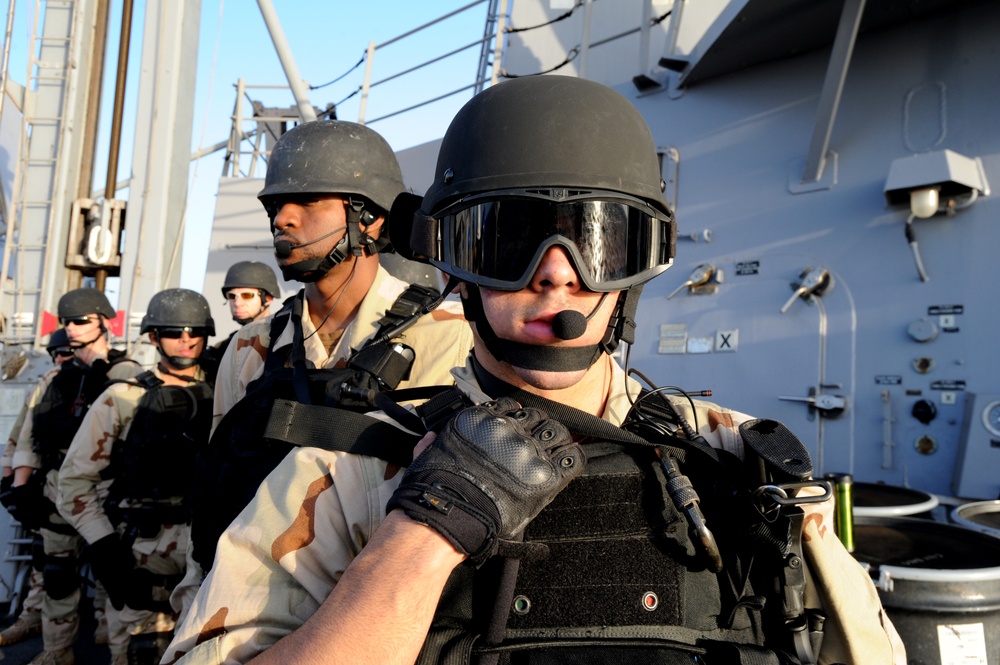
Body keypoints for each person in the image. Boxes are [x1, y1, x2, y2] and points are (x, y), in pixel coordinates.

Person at [165, 77, 904, 665]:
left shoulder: (737, 463)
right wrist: (418, 539)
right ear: (455, 262)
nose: (557, 277)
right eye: (508, 239)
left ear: (635, 268)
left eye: (599, 241)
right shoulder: (350, 471)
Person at [179, 118, 473, 587]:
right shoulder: (249, 347)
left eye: (308, 201)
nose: (283, 218)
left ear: (369, 217)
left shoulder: (453, 337)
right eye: (276, 205)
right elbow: (218, 481)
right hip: (253, 602)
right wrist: (194, 597)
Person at [56, 288, 217, 665]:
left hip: (209, 550)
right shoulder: (122, 397)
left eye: (195, 331)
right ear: (152, 337)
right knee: (141, 653)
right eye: (174, 331)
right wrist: (105, 547)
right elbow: (74, 483)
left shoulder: (226, 395)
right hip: (142, 550)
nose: (186, 339)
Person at [9, 289, 141, 665]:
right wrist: (20, 487)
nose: (72, 327)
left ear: (104, 322)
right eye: (67, 321)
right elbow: (31, 433)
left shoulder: (126, 374)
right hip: (59, 491)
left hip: (109, 491)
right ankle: (56, 652)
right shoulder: (55, 378)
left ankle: (121, 655)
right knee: (57, 576)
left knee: (116, 578)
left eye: (82, 320)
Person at [0, 329, 75, 648]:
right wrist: (12, 483)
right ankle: (31, 617)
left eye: (67, 352)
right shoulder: (47, 386)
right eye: (55, 354)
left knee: (106, 561)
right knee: (48, 559)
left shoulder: (109, 383)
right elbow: (20, 435)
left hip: (99, 488)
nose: (61, 360)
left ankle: (103, 626)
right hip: (54, 487)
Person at [213, 261, 281, 356]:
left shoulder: (282, 341)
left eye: (247, 295)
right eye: (232, 296)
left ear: (268, 298)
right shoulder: (224, 348)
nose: (237, 303)